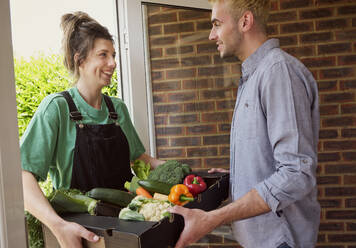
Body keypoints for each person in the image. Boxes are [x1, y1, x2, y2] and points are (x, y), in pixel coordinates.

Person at [169, 0, 320, 247]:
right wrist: (239, 175)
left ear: (245, 21)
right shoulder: (254, 75)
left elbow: (296, 173)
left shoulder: (277, 72)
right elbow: (274, 161)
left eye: (217, 24)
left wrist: (212, 218)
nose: (211, 35)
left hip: (279, 241)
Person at [20, 11, 164, 248]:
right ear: (80, 60)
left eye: (114, 55)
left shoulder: (117, 109)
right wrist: (58, 226)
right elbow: (23, 176)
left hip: (126, 226)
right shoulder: (57, 108)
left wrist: (177, 171)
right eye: (103, 55)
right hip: (80, 234)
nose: (113, 63)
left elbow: (139, 159)